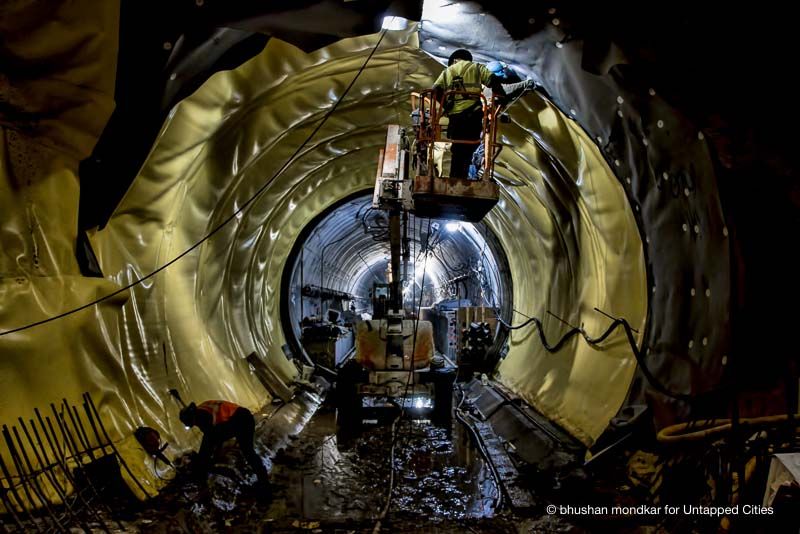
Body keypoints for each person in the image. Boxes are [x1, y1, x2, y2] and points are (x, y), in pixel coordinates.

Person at [432, 49, 506, 178]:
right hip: (473, 115)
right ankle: (463, 176)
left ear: (455, 60)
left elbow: (435, 90)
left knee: (457, 147)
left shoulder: (447, 72)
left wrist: (446, 105)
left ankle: (454, 177)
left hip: (456, 118)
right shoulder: (476, 67)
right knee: (470, 147)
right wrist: (501, 96)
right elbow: (493, 80)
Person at [179, 399, 270, 490]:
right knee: (209, 442)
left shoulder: (204, 418)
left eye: (192, 424)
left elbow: (212, 437)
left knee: (248, 451)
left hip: (242, 420)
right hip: (236, 417)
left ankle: (264, 483)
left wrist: (210, 458)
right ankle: (202, 472)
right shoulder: (200, 410)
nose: (194, 425)